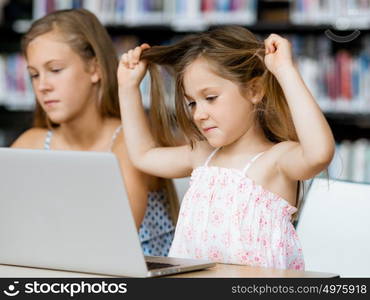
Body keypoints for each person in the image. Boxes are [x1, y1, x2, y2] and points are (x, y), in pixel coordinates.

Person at [117, 26, 335, 270]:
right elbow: (143, 155)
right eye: (191, 103)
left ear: (254, 90)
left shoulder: (276, 161)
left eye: (210, 98)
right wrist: (127, 89)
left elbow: (319, 152)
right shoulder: (201, 155)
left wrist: (285, 71)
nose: (199, 114)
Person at [11, 8, 178, 256]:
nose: (42, 86)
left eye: (55, 70)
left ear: (95, 69)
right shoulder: (30, 144)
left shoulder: (129, 145)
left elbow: (109, 240)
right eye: (34, 75)